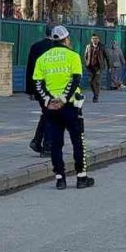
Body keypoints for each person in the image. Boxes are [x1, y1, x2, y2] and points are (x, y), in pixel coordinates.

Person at [32, 26, 94, 190]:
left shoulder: (42, 58)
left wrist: (48, 100)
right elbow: (75, 80)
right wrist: (64, 98)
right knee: (77, 141)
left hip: (51, 109)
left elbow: (37, 84)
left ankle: (60, 179)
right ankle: (81, 177)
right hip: (71, 106)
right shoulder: (73, 56)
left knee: (55, 143)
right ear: (66, 39)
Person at [24, 28, 57, 156]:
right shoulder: (57, 49)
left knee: (47, 114)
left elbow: (30, 69)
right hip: (52, 88)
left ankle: (37, 141)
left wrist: (30, 91)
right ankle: (47, 147)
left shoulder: (36, 46)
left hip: (38, 88)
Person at [83, 34, 111, 103]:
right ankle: (95, 94)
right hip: (90, 67)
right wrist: (87, 63)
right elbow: (85, 56)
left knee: (97, 81)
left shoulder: (102, 47)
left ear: (98, 39)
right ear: (91, 39)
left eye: (96, 38)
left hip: (99, 67)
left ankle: (96, 97)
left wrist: (109, 67)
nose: (94, 40)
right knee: (91, 82)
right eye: (93, 38)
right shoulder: (88, 46)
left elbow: (107, 57)